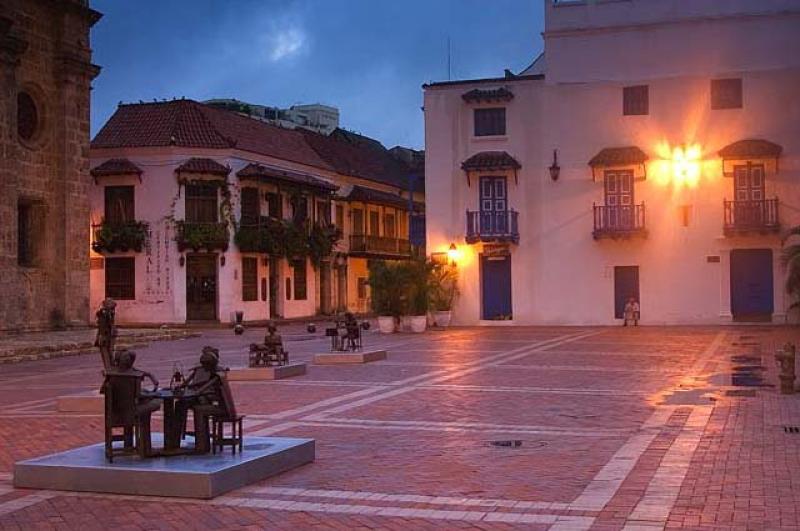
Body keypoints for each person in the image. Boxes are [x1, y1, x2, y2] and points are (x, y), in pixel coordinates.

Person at [176, 346, 225, 453]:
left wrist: (195, 390)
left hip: (214, 402)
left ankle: (202, 444)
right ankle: (175, 437)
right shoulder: (199, 369)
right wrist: (182, 387)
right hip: (198, 395)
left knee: (200, 408)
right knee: (180, 404)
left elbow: (204, 388)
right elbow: (188, 383)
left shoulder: (218, 373)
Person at [95, 298, 118, 370]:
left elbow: (111, 324)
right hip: (105, 335)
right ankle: (108, 367)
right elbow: (102, 326)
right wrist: (100, 336)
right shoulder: (103, 314)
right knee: (106, 352)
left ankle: (110, 366)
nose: (113, 309)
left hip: (110, 335)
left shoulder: (110, 313)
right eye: (112, 307)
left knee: (110, 351)